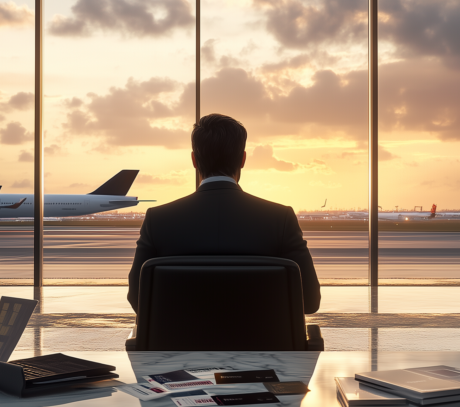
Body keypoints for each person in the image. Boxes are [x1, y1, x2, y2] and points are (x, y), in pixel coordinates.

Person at [126, 113, 321, 314]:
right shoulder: (281, 219)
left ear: (194, 160)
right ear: (243, 159)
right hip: (262, 344)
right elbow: (310, 300)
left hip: (181, 345)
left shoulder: (157, 220)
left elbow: (137, 299)